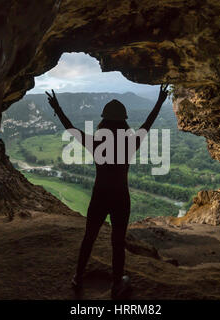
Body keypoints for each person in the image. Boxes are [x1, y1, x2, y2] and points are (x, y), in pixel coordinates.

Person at [46, 84, 169, 299]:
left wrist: (56, 107)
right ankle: (117, 283)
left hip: (99, 195)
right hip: (121, 197)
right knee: (118, 242)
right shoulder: (130, 143)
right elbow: (148, 123)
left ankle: (78, 276)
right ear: (123, 122)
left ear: (103, 121)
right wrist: (159, 101)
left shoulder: (96, 143)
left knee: (89, 237)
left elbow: (71, 128)